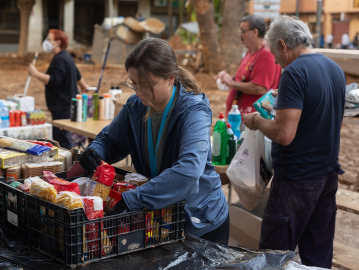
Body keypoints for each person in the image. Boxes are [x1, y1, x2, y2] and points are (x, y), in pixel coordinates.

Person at [79, 38, 229, 245]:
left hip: (199, 221)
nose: (138, 91)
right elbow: (109, 141)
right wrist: (95, 151)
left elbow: (189, 170)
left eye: (147, 85)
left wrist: (134, 199)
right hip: (159, 217)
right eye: (134, 83)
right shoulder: (136, 106)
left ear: (170, 78)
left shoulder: (194, 112)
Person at [242, 15, 345, 268]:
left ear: (282, 45)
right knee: (317, 253)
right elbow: (319, 116)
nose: (275, 61)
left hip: (297, 179)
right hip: (327, 174)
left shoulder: (294, 72)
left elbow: (284, 134)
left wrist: (256, 122)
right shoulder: (334, 68)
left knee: (274, 255)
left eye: (275, 54)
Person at [28, 29, 88, 149]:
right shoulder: (67, 56)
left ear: (58, 42)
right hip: (68, 105)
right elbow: (77, 74)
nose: (47, 42)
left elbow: (55, 80)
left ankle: (70, 163)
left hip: (62, 107)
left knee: (62, 142)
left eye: (49, 39)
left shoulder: (60, 59)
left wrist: (35, 73)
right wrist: (83, 86)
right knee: (64, 138)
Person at [215, 15, 281, 119]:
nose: (240, 35)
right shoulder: (251, 52)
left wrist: (232, 83)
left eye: (243, 31)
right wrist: (227, 78)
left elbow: (260, 88)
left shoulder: (266, 55)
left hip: (254, 119)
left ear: (255, 32)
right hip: (241, 117)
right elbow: (244, 78)